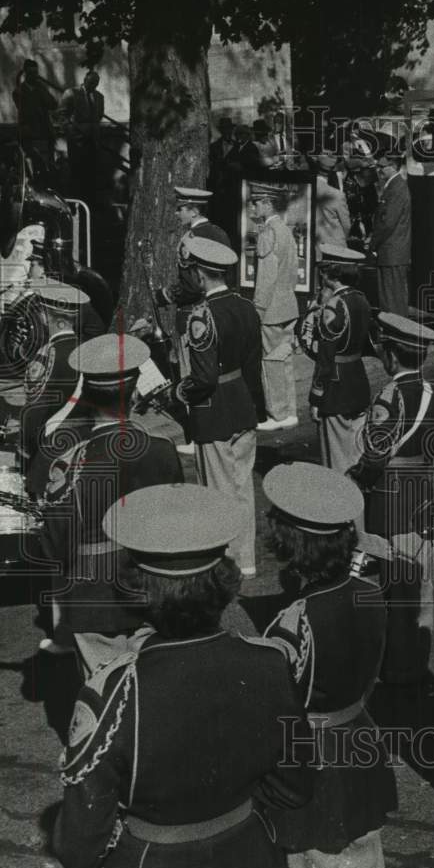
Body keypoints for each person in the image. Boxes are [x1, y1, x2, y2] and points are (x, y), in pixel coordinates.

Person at [53, 482, 314, 868]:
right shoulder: (269, 661)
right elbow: (294, 785)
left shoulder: (113, 686)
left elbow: (79, 846)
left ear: (138, 589)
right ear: (224, 582)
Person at [261, 462, 397, 868]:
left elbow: (277, 708)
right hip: (359, 736)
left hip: (315, 757)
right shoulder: (367, 591)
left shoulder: (296, 619)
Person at [37, 334, 183, 655]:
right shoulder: (162, 449)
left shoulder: (69, 462)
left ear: (86, 396)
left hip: (95, 598)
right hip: (152, 589)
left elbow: (53, 546)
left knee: (105, 697)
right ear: (133, 394)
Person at [348, 313, 434, 689]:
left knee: (394, 584)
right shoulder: (432, 392)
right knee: (420, 582)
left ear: (390, 355)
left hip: (391, 494)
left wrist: (356, 476)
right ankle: (416, 662)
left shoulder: (388, 396)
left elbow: (376, 454)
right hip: (423, 490)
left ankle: (395, 667)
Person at [172, 237, 265, 578]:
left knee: (219, 490)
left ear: (199, 274)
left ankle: (224, 562)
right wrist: (258, 406)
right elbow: (254, 364)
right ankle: (246, 558)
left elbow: (204, 377)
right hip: (243, 403)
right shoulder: (245, 306)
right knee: (242, 487)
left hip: (214, 409)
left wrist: (177, 392)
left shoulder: (202, 316)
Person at [156, 185, 233, 453]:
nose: (177, 213)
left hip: (193, 316)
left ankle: (198, 434)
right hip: (220, 311)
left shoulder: (189, 240)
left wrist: (164, 295)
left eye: (181, 208)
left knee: (192, 376)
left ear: (193, 210)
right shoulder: (220, 233)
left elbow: (189, 287)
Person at [296, 244, 372, 472]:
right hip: (358, 381)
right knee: (357, 454)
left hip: (336, 389)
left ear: (331, 275)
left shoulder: (333, 307)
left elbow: (325, 360)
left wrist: (316, 398)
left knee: (337, 461)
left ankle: (345, 506)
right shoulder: (361, 299)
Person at [18, 282, 89, 479]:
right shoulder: (88, 349)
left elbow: (34, 411)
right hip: (82, 444)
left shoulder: (50, 354)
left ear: (43, 316)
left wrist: (25, 455)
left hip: (49, 448)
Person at [251, 183, 300, 432]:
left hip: (271, 310)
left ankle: (277, 413)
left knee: (271, 362)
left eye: (256, 202)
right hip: (288, 304)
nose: (253, 206)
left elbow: (266, 279)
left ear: (268, 203)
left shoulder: (268, 233)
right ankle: (290, 411)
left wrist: (257, 310)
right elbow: (292, 273)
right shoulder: (285, 230)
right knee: (285, 360)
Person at [369, 140, 411, 316]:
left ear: (393, 166)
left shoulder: (396, 188)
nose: (378, 170)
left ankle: (396, 337)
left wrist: (373, 243)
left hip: (391, 252)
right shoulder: (395, 186)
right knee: (393, 298)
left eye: (382, 167)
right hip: (393, 252)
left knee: (392, 301)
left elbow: (387, 223)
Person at [58, 69, 104, 206]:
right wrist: (72, 133)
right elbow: (62, 115)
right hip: (77, 142)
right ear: (85, 80)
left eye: (95, 84)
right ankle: (76, 205)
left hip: (93, 142)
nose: (93, 86)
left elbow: (99, 116)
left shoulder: (99, 97)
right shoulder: (71, 93)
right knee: (77, 174)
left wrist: (94, 132)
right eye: (90, 83)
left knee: (92, 174)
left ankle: (90, 205)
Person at [12, 58, 57, 182]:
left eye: (36, 73)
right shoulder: (19, 91)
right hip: (30, 135)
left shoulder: (41, 88)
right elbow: (27, 111)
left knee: (48, 165)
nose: (34, 76)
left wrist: (42, 91)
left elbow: (53, 105)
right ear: (26, 73)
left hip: (45, 133)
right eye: (31, 73)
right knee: (33, 166)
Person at [310, 152, 351, 253]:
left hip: (311, 245)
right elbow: (346, 225)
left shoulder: (305, 190)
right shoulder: (337, 195)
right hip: (334, 246)